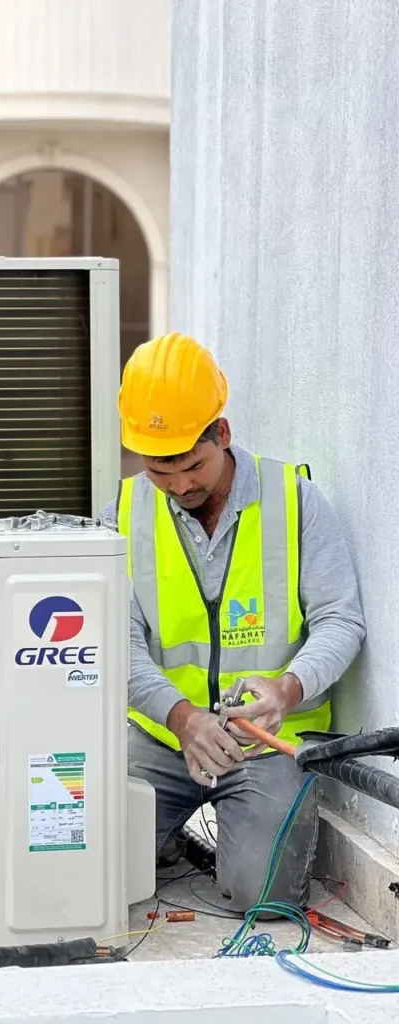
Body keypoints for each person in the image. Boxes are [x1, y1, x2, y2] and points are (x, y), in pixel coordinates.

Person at [104, 332, 365, 911]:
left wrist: (288, 688)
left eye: (193, 466)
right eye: (160, 470)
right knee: (82, 867)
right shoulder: (120, 516)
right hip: (160, 739)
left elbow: (341, 619)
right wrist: (181, 718)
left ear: (221, 433)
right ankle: (165, 838)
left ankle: (223, 829)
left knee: (265, 898)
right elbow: (115, 644)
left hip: (266, 745)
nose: (180, 486)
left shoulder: (295, 500)